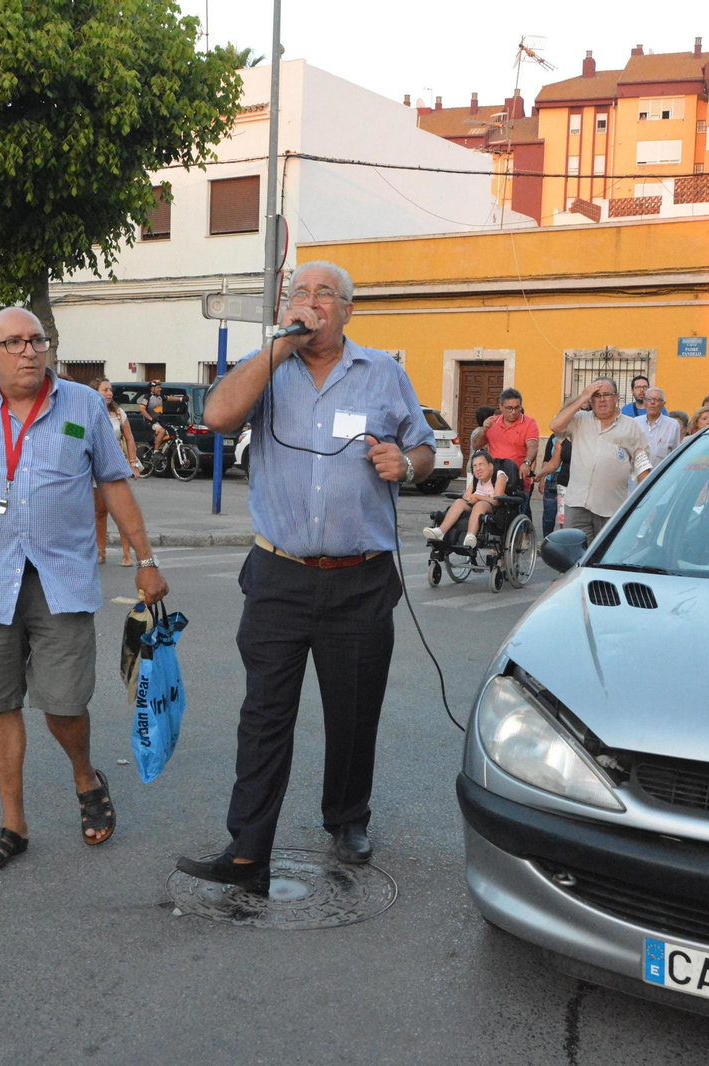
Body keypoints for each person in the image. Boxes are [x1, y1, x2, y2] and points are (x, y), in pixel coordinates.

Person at [175, 260, 435, 893]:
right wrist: (280, 344)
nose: (312, 301)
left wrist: (409, 463)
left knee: (353, 713)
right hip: (279, 576)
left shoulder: (383, 373)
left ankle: (347, 818)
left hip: (361, 579)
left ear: (347, 309)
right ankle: (247, 848)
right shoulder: (267, 370)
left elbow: (425, 449)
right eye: (300, 292)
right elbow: (218, 416)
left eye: (325, 294)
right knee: (264, 715)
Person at [0, 307, 168, 874]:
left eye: (35, 340)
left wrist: (145, 560)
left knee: (65, 704)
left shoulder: (85, 406)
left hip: (62, 581)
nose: (28, 351)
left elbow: (114, 485)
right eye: (14, 343)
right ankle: (13, 823)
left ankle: (85, 775)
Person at [546, 377, 653, 540]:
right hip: (577, 504)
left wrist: (646, 500)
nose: (601, 400)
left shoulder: (631, 426)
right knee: (575, 555)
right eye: (596, 396)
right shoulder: (580, 420)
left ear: (617, 398)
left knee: (603, 556)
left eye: (607, 395)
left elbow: (642, 465)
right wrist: (583, 397)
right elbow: (555, 426)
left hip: (611, 506)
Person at [91, 377, 140, 566]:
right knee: (100, 513)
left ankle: (127, 553)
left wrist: (133, 464)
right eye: (105, 390)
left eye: (110, 389)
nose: (109, 393)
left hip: (116, 468)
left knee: (121, 512)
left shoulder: (119, 414)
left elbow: (129, 439)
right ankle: (101, 551)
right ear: (95, 392)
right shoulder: (89, 412)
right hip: (96, 469)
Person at [423, 451, 509, 548]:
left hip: (492, 507)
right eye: (475, 466)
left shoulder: (499, 476)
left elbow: (496, 500)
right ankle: (441, 531)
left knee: (479, 505)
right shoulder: (477, 479)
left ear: (490, 466)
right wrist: (471, 499)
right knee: (459, 502)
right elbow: (466, 496)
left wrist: (478, 497)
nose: (478, 469)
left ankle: (470, 536)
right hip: (475, 504)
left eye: (481, 465)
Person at [481, 388, 539, 501]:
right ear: (501, 407)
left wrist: (527, 463)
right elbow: (476, 445)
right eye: (509, 408)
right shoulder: (492, 422)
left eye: (517, 408)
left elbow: (533, 445)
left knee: (518, 512)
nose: (513, 412)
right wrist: (483, 430)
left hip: (517, 480)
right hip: (493, 479)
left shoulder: (529, 423)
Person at [634, 386, 682, 467]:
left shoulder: (673, 425)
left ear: (663, 404)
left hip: (660, 476)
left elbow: (675, 455)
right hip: (636, 476)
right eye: (649, 399)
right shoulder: (635, 422)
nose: (652, 402)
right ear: (645, 403)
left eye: (657, 400)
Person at [140, 381, 170, 454]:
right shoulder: (147, 397)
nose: (160, 389)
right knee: (162, 431)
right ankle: (156, 452)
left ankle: (159, 450)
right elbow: (142, 409)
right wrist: (151, 419)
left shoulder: (160, 397)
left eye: (160, 387)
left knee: (168, 437)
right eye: (158, 387)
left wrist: (181, 399)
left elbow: (170, 398)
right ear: (152, 389)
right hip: (149, 422)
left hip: (158, 421)